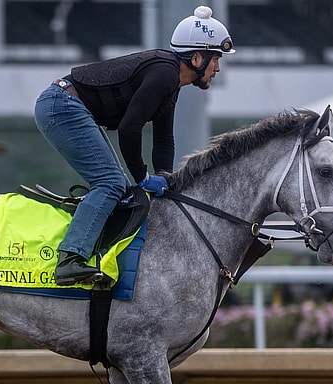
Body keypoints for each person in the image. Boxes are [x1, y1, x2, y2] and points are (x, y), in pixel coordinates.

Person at [34, 5, 235, 286]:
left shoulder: (172, 81)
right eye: (216, 59)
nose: (217, 68)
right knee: (112, 184)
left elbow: (164, 140)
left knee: (116, 184)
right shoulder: (165, 74)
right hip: (61, 105)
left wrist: (167, 180)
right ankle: (70, 259)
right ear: (198, 57)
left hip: (68, 105)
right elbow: (130, 127)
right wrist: (142, 178)